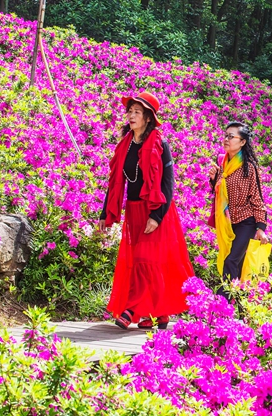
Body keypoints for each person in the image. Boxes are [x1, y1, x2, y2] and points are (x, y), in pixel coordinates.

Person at [99, 91, 194, 329]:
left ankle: (131, 310)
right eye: (130, 111)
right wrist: (104, 213)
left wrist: (156, 216)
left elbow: (167, 183)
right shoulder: (125, 145)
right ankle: (158, 314)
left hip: (156, 211)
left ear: (148, 118)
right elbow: (115, 181)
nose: (131, 115)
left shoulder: (160, 144)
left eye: (137, 112)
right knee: (143, 262)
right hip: (133, 210)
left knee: (146, 259)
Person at [208, 122, 268, 303]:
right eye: (225, 135)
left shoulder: (249, 167)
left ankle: (221, 307)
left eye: (231, 136)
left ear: (242, 142)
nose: (226, 140)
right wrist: (213, 181)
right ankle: (244, 311)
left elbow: (257, 197)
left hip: (246, 222)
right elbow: (220, 194)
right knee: (239, 266)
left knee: (231, 261)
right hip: (228, 224)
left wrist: (261, 227)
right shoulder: (222, 162)